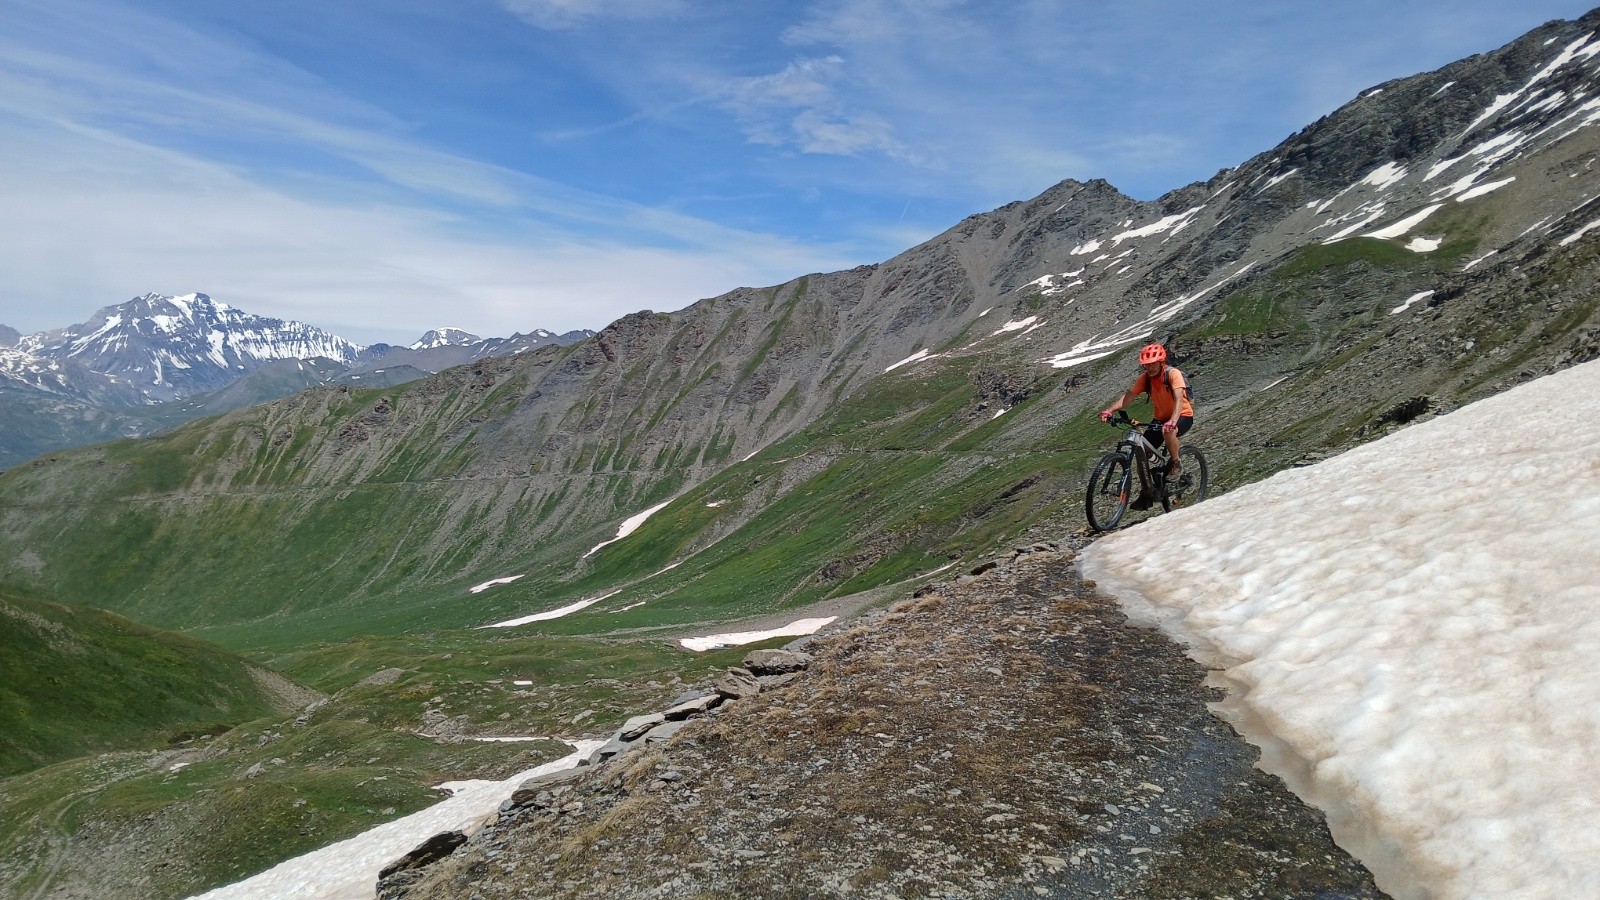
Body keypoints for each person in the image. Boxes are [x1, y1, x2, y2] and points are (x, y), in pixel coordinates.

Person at [1099, 342, 1194, 509]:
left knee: (1168, 432)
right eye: (1146, 365)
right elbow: (1128, 397)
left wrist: (1172, 421)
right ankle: (1147, 493)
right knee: (1140, 451)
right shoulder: (1145, 379)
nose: (1149, 368)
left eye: (1152, 364)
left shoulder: (1173, 374)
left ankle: (1176, 464)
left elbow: (1179, 400)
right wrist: (1110, 410)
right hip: (1159, 419)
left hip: (1182, 415)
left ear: (1161, 362)